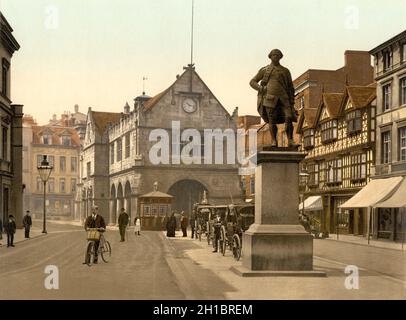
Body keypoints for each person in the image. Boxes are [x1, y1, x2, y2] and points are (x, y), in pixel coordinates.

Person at [249, 49, 298, 148]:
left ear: (280, 57)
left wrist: (292, 100)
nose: (275, 57)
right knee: (272, 120)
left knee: (289, 117)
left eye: (277, 55)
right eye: (274, 55)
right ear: (270, 57)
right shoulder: (265, 70)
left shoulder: (285, 71)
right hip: (270, 99)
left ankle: (291, 140)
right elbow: (252, 81)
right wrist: (261, 88)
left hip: (284, 98)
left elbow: (290, 86)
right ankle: (274, 141)